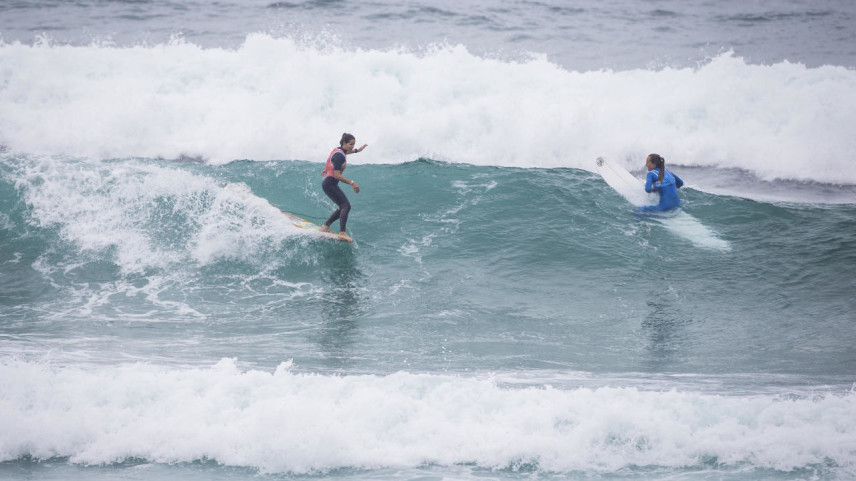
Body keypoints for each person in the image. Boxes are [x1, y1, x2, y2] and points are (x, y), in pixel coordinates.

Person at [319, 133, 367, 241]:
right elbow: (337, 175)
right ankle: (342, 233)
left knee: (343, 207)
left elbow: (349, 152)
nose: (352, 146)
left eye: (354, 144)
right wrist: (352, 183)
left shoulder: (340, 150)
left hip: (330, 183)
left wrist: (358, 150)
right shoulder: (339, 156)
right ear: (344, 143)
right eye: (351, 144)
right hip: (330, 183)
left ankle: (325, 226)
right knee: (346, 206)